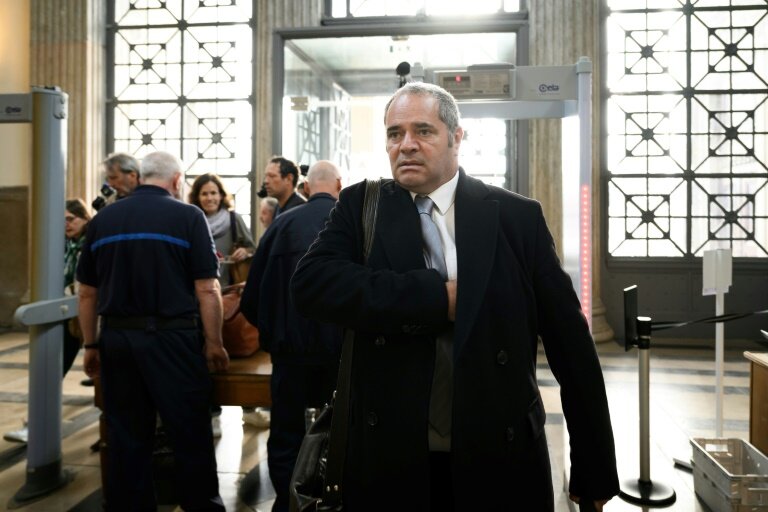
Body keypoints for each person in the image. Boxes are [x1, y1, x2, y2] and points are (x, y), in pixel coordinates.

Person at [290, 82, 620, 511]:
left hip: (497, 453)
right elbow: (312, 284)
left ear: (457, 137)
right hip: (390, 456)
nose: (406, 145)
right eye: (395, 133)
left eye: (423, 131)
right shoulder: (362, 207)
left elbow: (571, 345)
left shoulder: (515, 217)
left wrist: (593, 466)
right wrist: (435, 298)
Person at [77, 151, 229, 511]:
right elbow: (207, 289)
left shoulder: (104, 220)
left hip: (117, 339)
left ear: (141, 177)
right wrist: (214, 343)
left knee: (127, 436)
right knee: (189, 432)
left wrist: (91, 344)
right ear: (177, 181)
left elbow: (86, 292)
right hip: (173, 340)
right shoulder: (188, 216)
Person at [241, 160, 344, 512]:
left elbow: (251, 298)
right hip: (342, 354)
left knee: (286, 433)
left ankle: (288, 502)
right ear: (340, 185)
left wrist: (273, 335)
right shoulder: (355, 227)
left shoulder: (281, 226)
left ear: (305, 186)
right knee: (342, 428)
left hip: (290, 354)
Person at [2, 198, 93, 444]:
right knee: (52, 367)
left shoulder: (91, 244)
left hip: (90, 314)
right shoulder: (63, 244)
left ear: (85, 218)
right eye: (62, 220)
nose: (66, 224)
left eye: (71, 219)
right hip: (66, 314)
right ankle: (35, 425)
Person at [188, 173, 256, 287]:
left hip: (229, 289)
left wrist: (245, 252)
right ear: (197, 197)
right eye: (204, 194)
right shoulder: (191, 222)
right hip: (198, 289)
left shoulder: (234, 219)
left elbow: (253, 248)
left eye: (213, 193)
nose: (209, 198)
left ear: (221, 195)